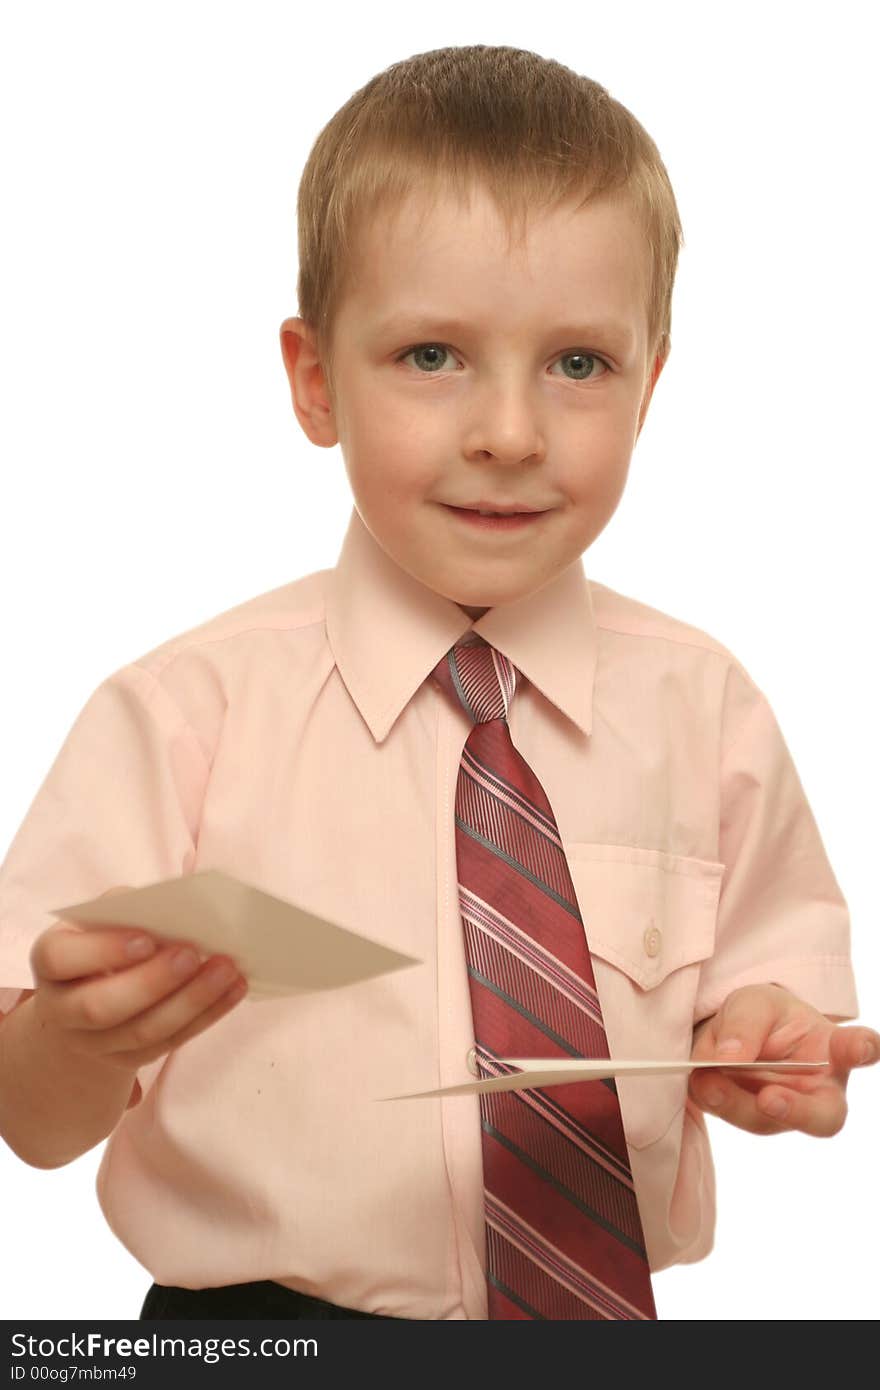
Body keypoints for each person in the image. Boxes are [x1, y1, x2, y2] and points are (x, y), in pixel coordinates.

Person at [0, 44, 877, 1322]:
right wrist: (71, 1042)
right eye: (430, 356)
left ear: (652, 385)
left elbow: (778, 996)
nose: (510, 432)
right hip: (262, 1340)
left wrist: (767, 1044)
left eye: (578, 364)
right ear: (314, 379)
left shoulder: (707, 709)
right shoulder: (182, 717)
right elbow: (31, 1121)